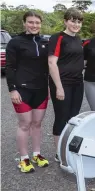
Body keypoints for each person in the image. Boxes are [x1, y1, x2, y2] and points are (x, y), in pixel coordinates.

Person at [6, 11, 49, 172]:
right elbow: (10, 67)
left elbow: (50, 66)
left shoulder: (44, 41)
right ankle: (24, 158)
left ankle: (37, 154)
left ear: (40, 24)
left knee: (37, 123)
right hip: (22, 90)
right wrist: (12, 90)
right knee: (25, 124)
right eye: (30, 22)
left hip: (41, 90)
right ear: (24, 23)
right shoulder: (15, 42)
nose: (34, 25)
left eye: (37, 23)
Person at [48, 8, 84, 162]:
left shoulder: (78, 39)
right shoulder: (57, 38)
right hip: (62, 84)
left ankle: (68, 148)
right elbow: (51, 63)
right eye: (72, 20)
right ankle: (59, 153)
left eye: (78, 21)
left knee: (73, 118)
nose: (75, 24)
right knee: (61, 117)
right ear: (65, 21)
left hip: (77, 83)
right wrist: (59, 87)